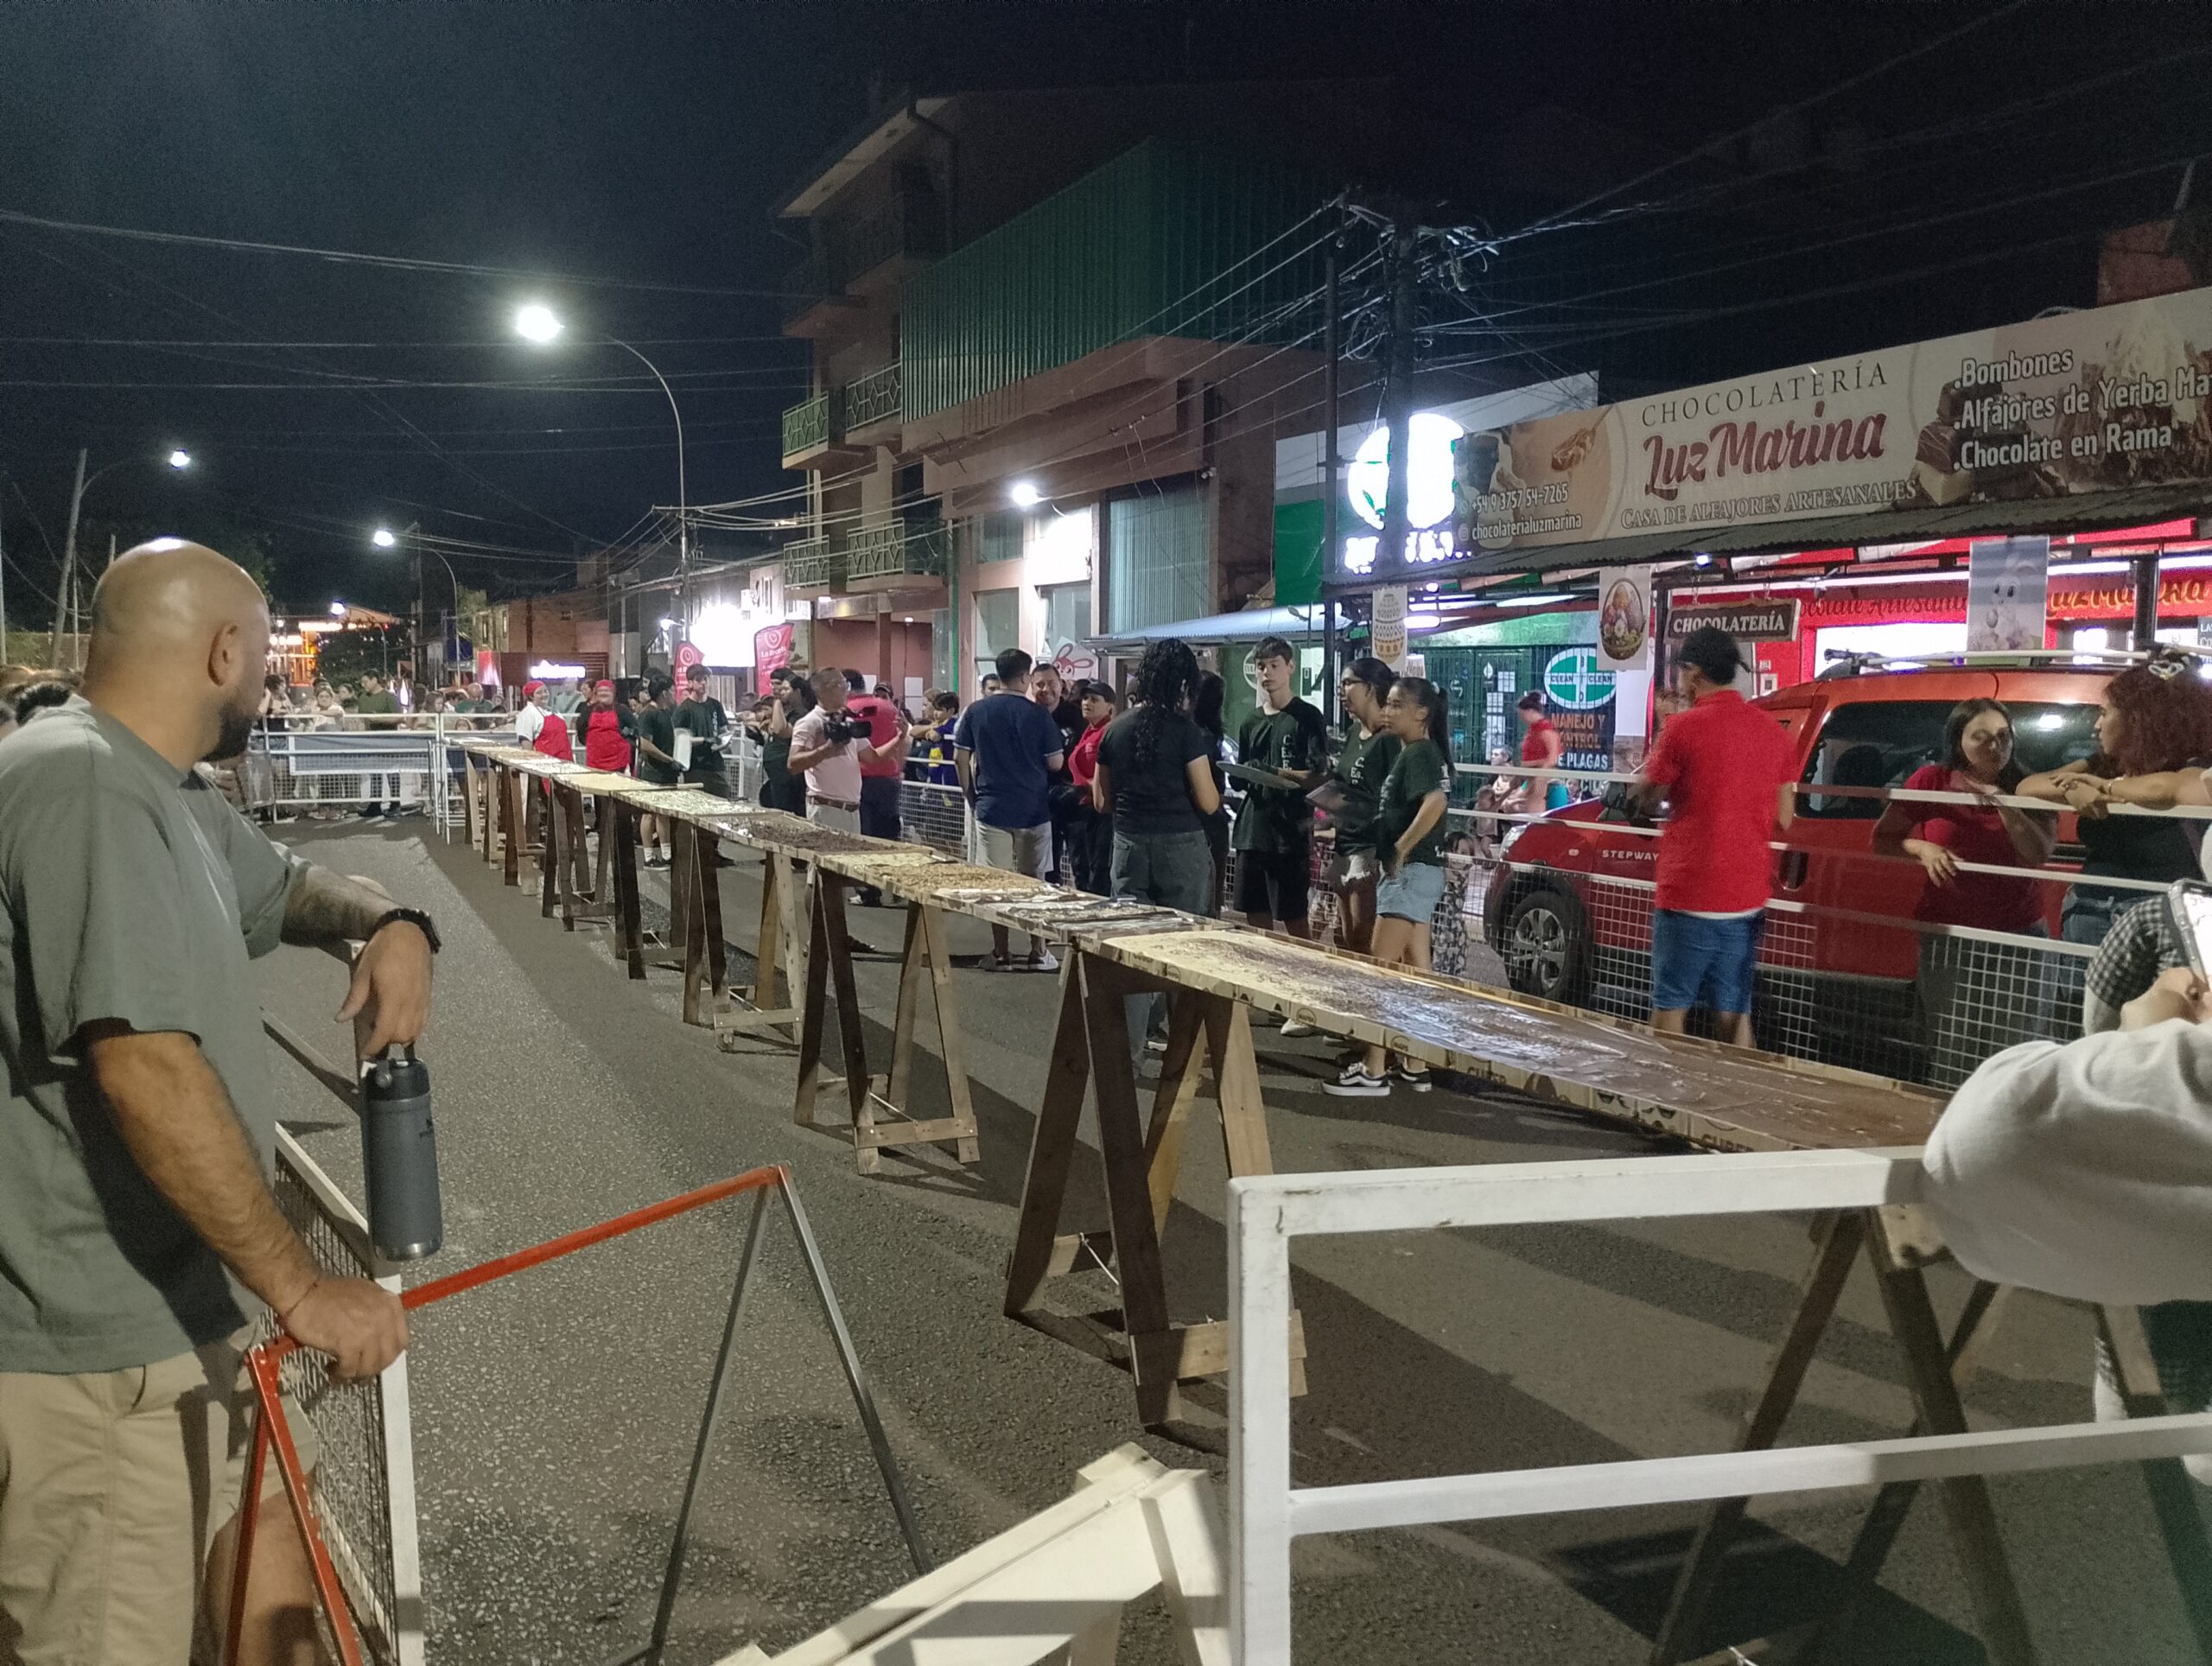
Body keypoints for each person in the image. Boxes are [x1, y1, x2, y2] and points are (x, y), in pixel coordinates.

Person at [0, 540, 429, 1663]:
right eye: (265, 653)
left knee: (276, 1555)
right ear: (225, 651)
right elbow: (142, 1064)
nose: (268, 680)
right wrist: (303, 1286)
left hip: (193, 1310)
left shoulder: (163, 787)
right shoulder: (83, 784)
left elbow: (286, 889)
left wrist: (391, 922)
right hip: (102, 1357)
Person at [1872, 698, 2059, 1083]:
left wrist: (2005, 804)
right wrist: (1922, 848)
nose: (1995, 746)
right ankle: (1952, 1114)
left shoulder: (2028, 786)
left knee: (2015, 1049)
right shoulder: (1932, 781)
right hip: (1951, 937)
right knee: (1954, 1044)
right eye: (1981, 737)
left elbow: (2037, 853)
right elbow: (1884, 838)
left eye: (2004, 737)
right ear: (1958, 741)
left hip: (2018, 936)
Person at [1631, 625, 1796, 1048]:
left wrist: (1660, 746)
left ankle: (1667, 1091)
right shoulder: (1773, 731)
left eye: (1681, 671)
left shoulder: (1682, 729)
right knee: (1735, 1017)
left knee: (1670, 1012)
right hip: (1746, 896)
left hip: (1691, 892)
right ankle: (1737, 1092)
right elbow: (1785, 817)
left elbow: (1647, 799)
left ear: (1693, 672)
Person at [2018, 658, 2212, 943]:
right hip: (2088, 906)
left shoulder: (2191, 765)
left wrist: (2106, 789)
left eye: (2104, 713)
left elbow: (2173, 788)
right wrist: (2073, 787)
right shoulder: (2105, 763)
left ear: (2137, 719)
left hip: (2157, 915)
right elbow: (2027, 786)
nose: (2096, 726)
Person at [1327, 677, 1452, 1096]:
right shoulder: (1418, 752)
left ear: (1422, 713)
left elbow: (1435, 801)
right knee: (1416, 972)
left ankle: (1374, 1069)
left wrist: (1400, 847)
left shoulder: (1418, 753)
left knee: (1378, 973)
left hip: (1410, 871)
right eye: (1388, 704)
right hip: (1421, 871)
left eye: (1397, 705)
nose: (1388, 711)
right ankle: (1415, 1062)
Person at [1096, 640, 1220, 1045]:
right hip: (1181, 847)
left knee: (1133, 951)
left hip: (1128, 844)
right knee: (1183, 950)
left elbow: (1101, 801)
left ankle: (1128, 1057)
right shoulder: (1186, 732)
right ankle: (1181, 1057)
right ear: (1183, 683)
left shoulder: (1114, 729)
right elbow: (1208, 801)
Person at [955, 648, 1068, 971]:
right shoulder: (1038, 715)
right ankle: (1038, 951)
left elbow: (960, 759)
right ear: (1023, 677)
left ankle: (1001, 952)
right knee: (1035, 883)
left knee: (997, 884)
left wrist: (971, 797)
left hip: (992, 809)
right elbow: (1055, 762)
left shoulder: (976, 711)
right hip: (1034, 810)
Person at [1232, 636, 1328, 938]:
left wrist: (1276, 772)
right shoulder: (1250, 721)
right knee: (1255, 917)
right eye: (1261, 666)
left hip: (1289, 834)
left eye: (1274, 665)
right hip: (1253, 832)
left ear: (1291, 667)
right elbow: (1242, 772)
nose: (1267, 673)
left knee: (1294, 918)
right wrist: (1240, 776)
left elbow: (1318, 775)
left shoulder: (1308, 717)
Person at [1330, 658, 1401, 957]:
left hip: (1369, 847)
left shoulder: (1389, 739)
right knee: (1345, 939)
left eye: (1348, 683)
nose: (1342, 691)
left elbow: (1395, 797)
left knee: (1364, 939)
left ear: (1371, 689)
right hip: (1343, 843)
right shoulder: (1351, 735)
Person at [789, 667, 906, 832]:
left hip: (852, 809)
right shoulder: (809, 723)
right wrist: (826, 750)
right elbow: (793, 764)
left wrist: (899, 737)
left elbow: (873, 758)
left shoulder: (847, 722)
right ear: (821, 690)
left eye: (846, 684)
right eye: (839, 684)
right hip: (827, 807)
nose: (845, 689)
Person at [1063, 679, 1117, 894]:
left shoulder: (1107, 732)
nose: (1087, 703)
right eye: (1085, 698)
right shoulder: (1089, 731)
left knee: (1097, 872)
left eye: (1094, 699)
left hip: (1100, 812)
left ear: (1109, 706)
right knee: (1082, 871)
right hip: (1084, 810)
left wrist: (1089, 786)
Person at [633, 673, 681, 867]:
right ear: (664, 692)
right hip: (652, 771)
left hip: (668, 771)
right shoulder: (648, 713)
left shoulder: (667, 712)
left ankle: (666, 854)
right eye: (672, 690)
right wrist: (669, 759)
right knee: (649, 813)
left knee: (664, 813)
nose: (675, 694)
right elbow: (645, 745)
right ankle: (648, 857)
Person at [1192, 671, 1229, 915]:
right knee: (1209, 898)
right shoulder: (1204, 735)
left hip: (1204, 821)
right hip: (1209, 821)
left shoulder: (1198, 732)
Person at [675, 667, 731, 798]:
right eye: (699, 680)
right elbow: (678, 740)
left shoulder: (715, 705)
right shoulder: (684, 709)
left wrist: (724, 740)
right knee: (697, 801)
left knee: (723, 799)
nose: (703, 683)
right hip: (695, 765)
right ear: (690, 683)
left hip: (715, 763)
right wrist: (703, 741)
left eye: (705, 679)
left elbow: (724, 730)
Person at [1512, 690, 1570, 812]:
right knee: (1514, 803)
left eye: (1522, 714)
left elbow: (1552, 757)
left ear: (1530, 711)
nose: (1522, 718)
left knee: (1533, 808)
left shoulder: (1545, 729)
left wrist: (1540, 777)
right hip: (1530, 775)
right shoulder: (1533, 729)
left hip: (1541, 774)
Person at [354, 672, 403, 817]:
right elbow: (361, 719)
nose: (363, 685)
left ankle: (395, 804)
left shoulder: (389, 697)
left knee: (392, 772)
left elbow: (400, 718)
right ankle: (375, 804)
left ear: (374, 680)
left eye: (365, 681)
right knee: (375, 772)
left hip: (389, 739)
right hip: (371, 739)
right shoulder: (363, 698)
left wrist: (379, 719)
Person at [574, 679, 636, 774]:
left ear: (613, 693)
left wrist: (625, 736)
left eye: (607, 690)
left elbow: (635, 729)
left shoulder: (622, 710)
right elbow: (581, 731)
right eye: (600, 691)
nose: (603, 693)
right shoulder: (587, 711)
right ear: (596, 693)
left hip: (619, 763)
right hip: (594, 762)